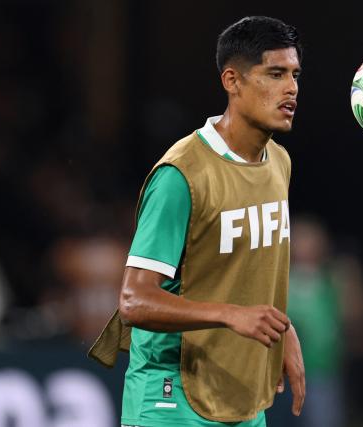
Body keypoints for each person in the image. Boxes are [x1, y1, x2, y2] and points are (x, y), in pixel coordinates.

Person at [88, 16, 305, 427]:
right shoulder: (182, 175)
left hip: (240, 394)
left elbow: (247, 269)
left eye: (295, 75)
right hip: (171, 396)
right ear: (232, 81)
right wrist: (230, 314)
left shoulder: (279, 162)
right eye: (275, 74)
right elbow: (134, 301)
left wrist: (283, 330)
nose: (291, 88)